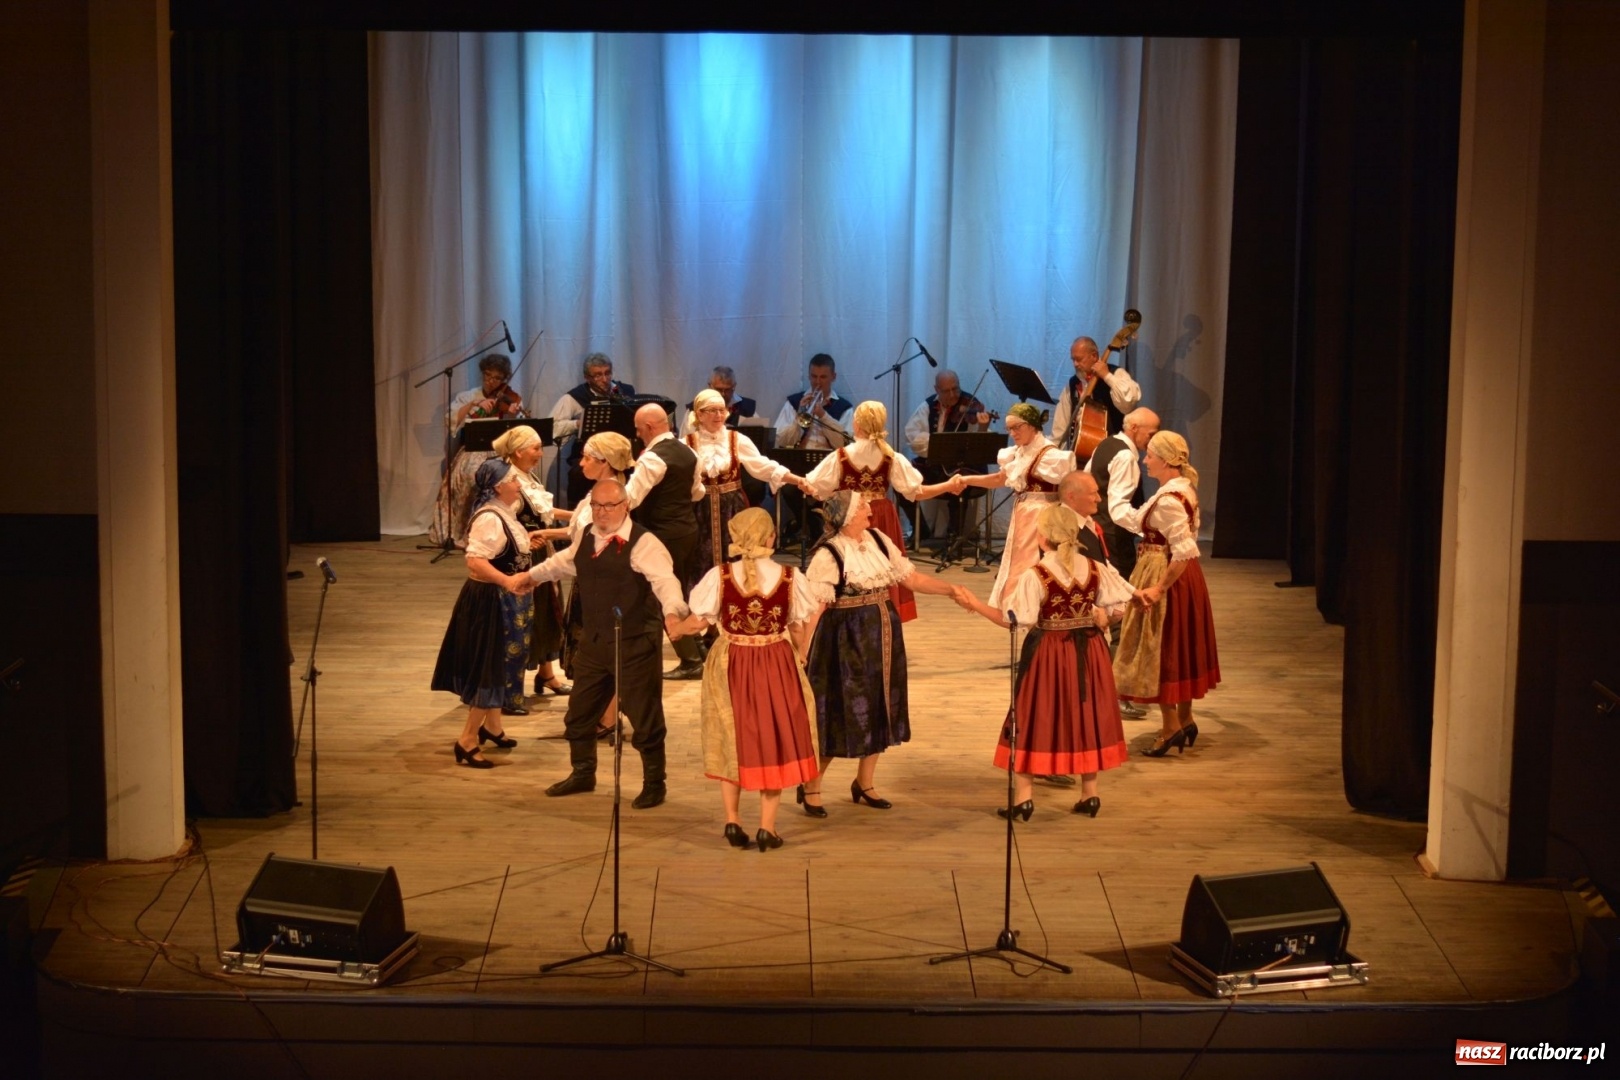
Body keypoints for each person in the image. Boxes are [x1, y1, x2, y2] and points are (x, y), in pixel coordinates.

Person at [951, 504, 1138, 818]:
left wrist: (975, 604)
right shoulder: (1095, 567)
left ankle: (1024, 798)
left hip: (1050, 652)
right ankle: (1090, 794)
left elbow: (1014, 620)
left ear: (1043, 537)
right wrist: (1101, 619)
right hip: (1090, 650)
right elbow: (1120, 605)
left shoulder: (1036, 574)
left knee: (1036, 715)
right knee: (1085, 714)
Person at [526, 478, 692, 808]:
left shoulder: (645, 543)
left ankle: (654, 783)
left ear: (625, 506)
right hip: (595, 641)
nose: (601, 512)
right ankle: (583, 773)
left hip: (635, 642)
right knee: (579, 713)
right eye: (596, 506)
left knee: (644, 716)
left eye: (609, 506)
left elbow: (665, 582)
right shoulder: (587, 533)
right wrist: (530, 577)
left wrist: (673, 613)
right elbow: (565, 561)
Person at [798, 491, 960, 814]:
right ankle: (811, 785)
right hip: (845, 642)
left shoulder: (879, 541)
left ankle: (865, 782)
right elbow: (815, 609)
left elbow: (911, 578)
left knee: (879, 705)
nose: (869, 510)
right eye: (862, 507)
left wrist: (951, 590)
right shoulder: (829, 555)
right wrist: (803, 649)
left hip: (883, 635)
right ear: (847, 517)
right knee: (840, 712)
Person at [671, 508, 820, 851]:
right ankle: (767, 828)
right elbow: (797, 626)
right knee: (773, 737)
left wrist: (677, 629)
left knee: (731, 737)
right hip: (775, 663)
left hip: (731, 663)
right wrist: (801, 654)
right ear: (770, 537)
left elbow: (698, 621)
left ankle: (732, 820)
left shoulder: (720, 575)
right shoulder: (790, 577)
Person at [1111, 431, 1222, 756]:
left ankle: (1171, 726)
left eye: (1150, 455)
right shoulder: (1180, 490)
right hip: (1181, 576)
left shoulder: (1170, 500)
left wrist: (1159, 588)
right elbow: (1139, 522)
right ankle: (1184, 719)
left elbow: (1183, 550)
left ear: (1166, 460)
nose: (1145, 460)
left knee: (1162, 647)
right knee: (1179, 644)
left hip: (1167, 573)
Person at [801, 401, 959, 622]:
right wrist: (948, 486)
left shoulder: (841, 456)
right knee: (888, 566)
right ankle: (886, 613)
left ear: (857, 425)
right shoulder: (890, 457)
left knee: (847, 564)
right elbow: (916, 492)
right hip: (882, 515)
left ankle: (847, 612)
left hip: (850, 517)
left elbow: (816, 489)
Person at [430, 458, 535, 768]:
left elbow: (503, 550)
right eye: (513, 480)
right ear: (499, 487)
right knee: (489, 666)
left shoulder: (505, 512)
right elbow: (475, 561)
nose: (518, 485)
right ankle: (467, 739)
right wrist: (507, 581)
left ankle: (493, 726)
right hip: (491, 601)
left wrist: (528, 545)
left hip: (506, 598)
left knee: (501, 663)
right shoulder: (489, 518)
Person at [950, 402, 1077, 610]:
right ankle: (1020, 608)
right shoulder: (1020, 452)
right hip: (1024, 513)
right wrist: (966, 479)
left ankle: (1034, 606)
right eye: (1009, 428)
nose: (1013, 433)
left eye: (1017, 427)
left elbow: (1070, 487)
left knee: (1034, 561)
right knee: (1020, 561)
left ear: (1032, 425)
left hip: (1043, 515)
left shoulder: (1050, 455)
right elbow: (999, 479)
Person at [686, 388, 802, 582]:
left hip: (733, 509)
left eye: (722, 410)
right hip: (701, 510)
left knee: (736, 556)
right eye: (713, 410)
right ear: (700, 414)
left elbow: (763, 466)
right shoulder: (687, 443)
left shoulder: (736, 440)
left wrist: (798, 480)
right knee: (702, 557)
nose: (719, 415)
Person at [491, 424, 571, 703]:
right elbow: (502, 518)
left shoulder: (528, 476)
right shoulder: (508, 479)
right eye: (536, 448)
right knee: (526, 617)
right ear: (518, 451)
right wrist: (524, 538)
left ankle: (546, 674)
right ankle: (509, 685)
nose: (540, 453)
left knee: (547, 612)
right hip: (522, 558)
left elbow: (543, 510)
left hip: (540, 552)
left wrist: (578, 515)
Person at [628, 403, 707, 679]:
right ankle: (697, 648)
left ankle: (690, 659)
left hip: (662, 534)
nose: (637, 435)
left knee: (663, 593)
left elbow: (630, 498)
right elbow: (697, 492)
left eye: (639, 429)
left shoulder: (652, 459)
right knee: (680, 589)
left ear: (649, 427)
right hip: (687, 530)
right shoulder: (689, 451)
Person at [429, 353, 525, 548]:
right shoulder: (469, 396)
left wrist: (512, 415)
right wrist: (473, 404)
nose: (491, 381)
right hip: (472, 450)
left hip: (500, 451)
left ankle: (500, 532)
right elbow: (450, 420)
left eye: (497, 378)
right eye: (487, 375)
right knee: (471, 478)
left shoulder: (509, 398)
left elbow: (520, 430)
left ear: (504, 379)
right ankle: (465, 532)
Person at [900, 369, 992, 544]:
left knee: (959, 481)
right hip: (935, 465)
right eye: (946, 391)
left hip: (963, 466)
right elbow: (912, 435)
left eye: (955, 389)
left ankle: (954, 536)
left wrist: (982, 427)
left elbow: (980, 445)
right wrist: (938, 444)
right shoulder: (927, 406)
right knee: (902, 481)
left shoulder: (971, 405)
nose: (952, 395)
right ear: (937, 389)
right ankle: (920, 530)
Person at [550, 353, 636, 507]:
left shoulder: (625, 391)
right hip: (590, 456)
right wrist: (577, 424)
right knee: (579, 475)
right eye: (598, 375)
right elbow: (552, 427)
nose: (604, 379)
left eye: (607, 373)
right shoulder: (575, 397)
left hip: (621, 455)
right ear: (587, 377)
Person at [1087, 406, 1160, 582]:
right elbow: (1118, 508)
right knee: (1121, 588)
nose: (1152, 441)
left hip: (1097, 528)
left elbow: (1087, 478)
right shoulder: (1125, 456)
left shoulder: (1105, 443)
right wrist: (1145, 528)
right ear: (1134, 427)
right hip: (1114, 537)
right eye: (1151, 435)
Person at [1050, 335, 1142, 450]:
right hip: (1081, 452)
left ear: (1094, 356)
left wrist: (1107, 376)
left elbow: (1128, 404)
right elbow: (1060, 427)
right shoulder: (1073, 384)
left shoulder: (1116, 373)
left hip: (1114, 451)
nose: (1075, 364)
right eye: (1073, 360)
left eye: (1079, 359)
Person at [773, 352, 852, 451]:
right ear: (809, 376)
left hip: (831, 458)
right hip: (799, 457)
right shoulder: (793, 402)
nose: (818, 382)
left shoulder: (845, 408)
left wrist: (823, 416)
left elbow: (846, 445)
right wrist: (799, 417)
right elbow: (780, 441)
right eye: (814, 376)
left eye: (823, 377)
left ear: (833, 377)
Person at [678, 365, 758, 436]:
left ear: (734, 386)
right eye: (718, 389)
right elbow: (685, 440)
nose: (723, 394)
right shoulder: (696, 409)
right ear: (710, 386)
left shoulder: (747, 407)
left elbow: (758, 435)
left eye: (727, 390)